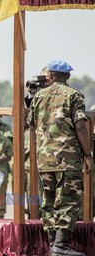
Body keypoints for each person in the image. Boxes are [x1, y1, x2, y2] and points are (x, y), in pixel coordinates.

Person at [28, 60, 92, 255]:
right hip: (67, 159)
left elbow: (30, 124)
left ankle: (52, 244)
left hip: (44, 159)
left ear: (50, 76)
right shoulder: (74, 95)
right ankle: (61, 245)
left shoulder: (38, 96)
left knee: (48, 201)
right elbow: (80, 125)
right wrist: (88, 154)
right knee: (68, 200)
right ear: (68, 76)